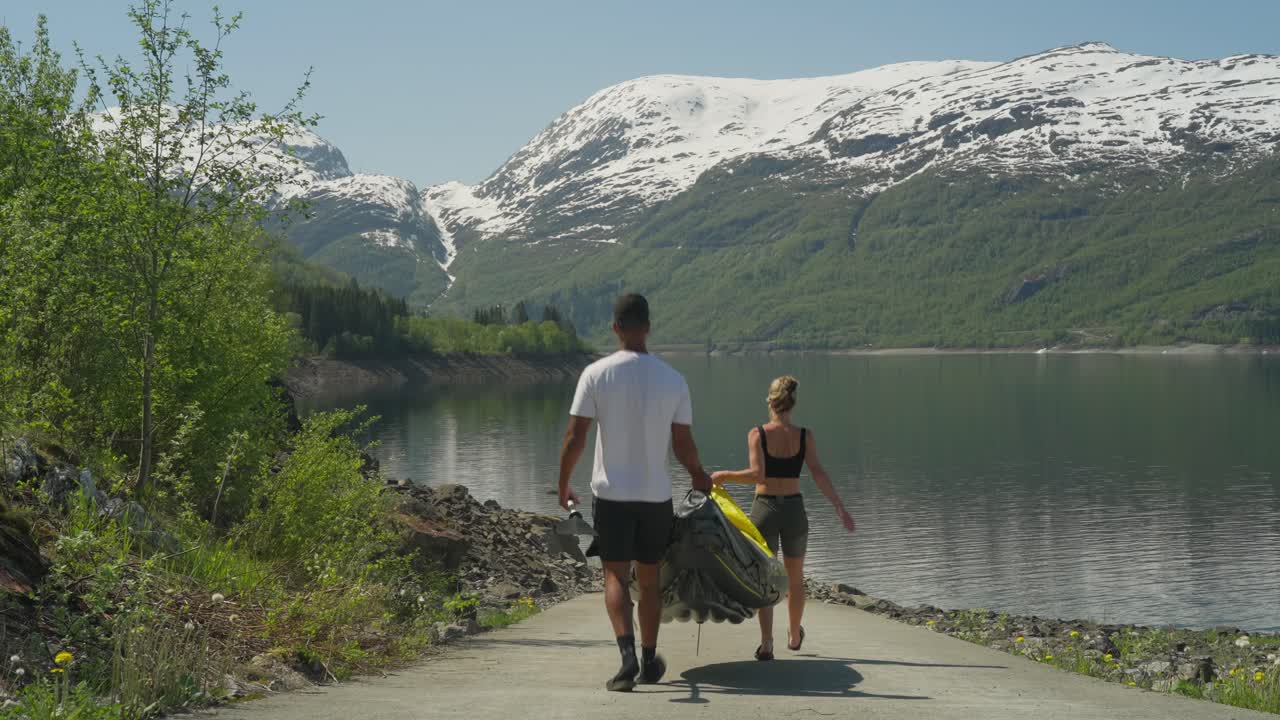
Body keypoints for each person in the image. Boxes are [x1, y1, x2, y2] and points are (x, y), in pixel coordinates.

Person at [557, 293, 713, 692]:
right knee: (648, 581)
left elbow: (576, 438)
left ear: (615, 328)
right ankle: (648, 659)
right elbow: (683, 445)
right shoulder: (673, 379)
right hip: (656, 498)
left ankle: (625, 658)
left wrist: (563, 483)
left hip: (611, 496)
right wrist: (698, 474)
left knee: (614, 574)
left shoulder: (596, 374)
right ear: (648, 327)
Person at [711, 375, 855, 661]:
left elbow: (757, 475)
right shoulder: (804, 436)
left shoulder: (758, 434)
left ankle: (766, 643)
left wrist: (722, 475)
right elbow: (818, 473)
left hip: (764, 509)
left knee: (766, 578)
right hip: (794, 509)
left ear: (770, 401)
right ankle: (793, 634)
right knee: (795, 578)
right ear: (793, 403)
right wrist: (838, 506)